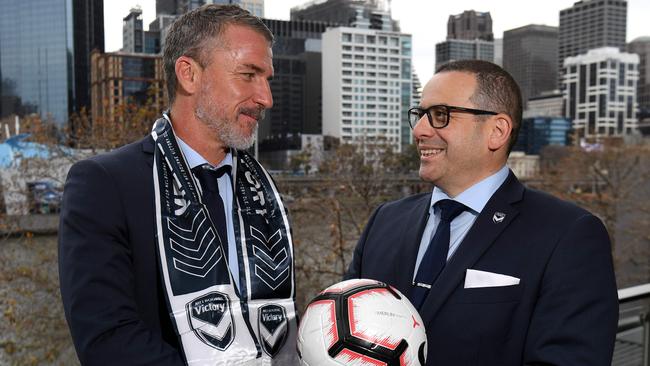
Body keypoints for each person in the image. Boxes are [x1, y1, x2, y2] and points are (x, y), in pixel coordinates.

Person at [59, 5, 298, 365]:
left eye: (267, 79)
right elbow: (106, 339)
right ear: (189, 74)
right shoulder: (104, 184)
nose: (267, 98)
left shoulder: (265, 194)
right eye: (248, 75)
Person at [345, 60, 619, 366]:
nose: (420, 130)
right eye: (420, 115)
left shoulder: (569, 235)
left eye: (440, 115)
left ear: (497, 131)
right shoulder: (384, 221)